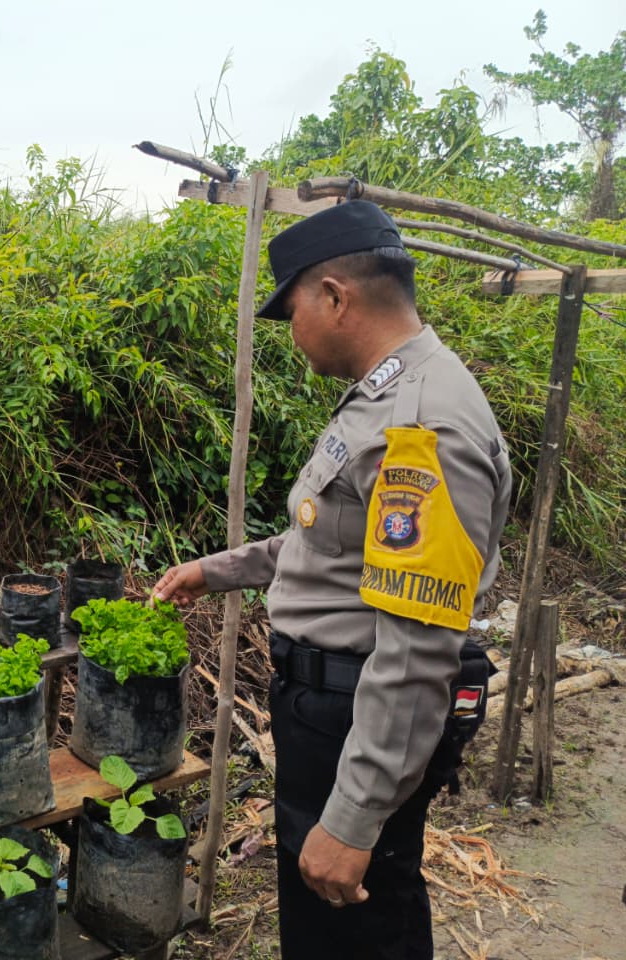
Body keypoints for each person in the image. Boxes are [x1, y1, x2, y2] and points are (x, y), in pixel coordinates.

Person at [153, 200, 512, 960]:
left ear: (334, 296)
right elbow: (333, 545)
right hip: (332, 709)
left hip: (359, 713)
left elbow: (418, 647)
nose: (292, 334)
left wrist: (354, 817)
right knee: (325, 928)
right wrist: (217, 571)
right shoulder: (387, 396)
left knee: (356, 926)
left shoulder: (423, 422)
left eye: (291, 314)